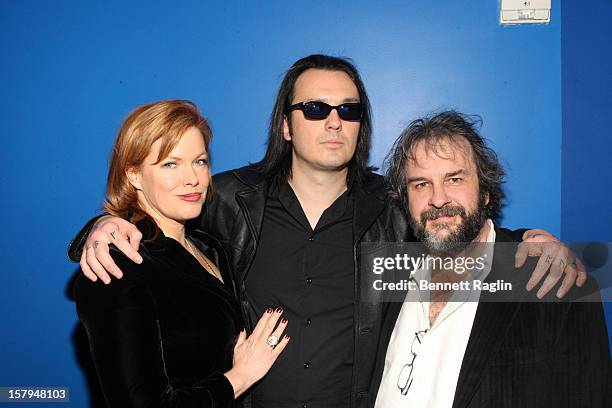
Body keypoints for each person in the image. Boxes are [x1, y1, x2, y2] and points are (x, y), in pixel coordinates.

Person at [68, 55, 585, 408]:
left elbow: (451, 218)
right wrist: (104, 223)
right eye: (315, 108)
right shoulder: (226, 198)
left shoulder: (393, 206)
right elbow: (157, 218)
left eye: (349, 110)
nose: (334, 121)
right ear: (287, 125)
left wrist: (529, 239)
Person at [371, 111, 610, 407]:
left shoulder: (558, 284)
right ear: (405, 200)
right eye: (421, 184)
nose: (438, 198)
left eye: (454, 179)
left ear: (484, 192)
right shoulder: (389, 281)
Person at [73, 100, 289, 407]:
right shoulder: (119, 267)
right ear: (134, 175)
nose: (193, 178)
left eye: (200, 161)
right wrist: (241, 375)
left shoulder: (208, 247)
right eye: (170, 164)